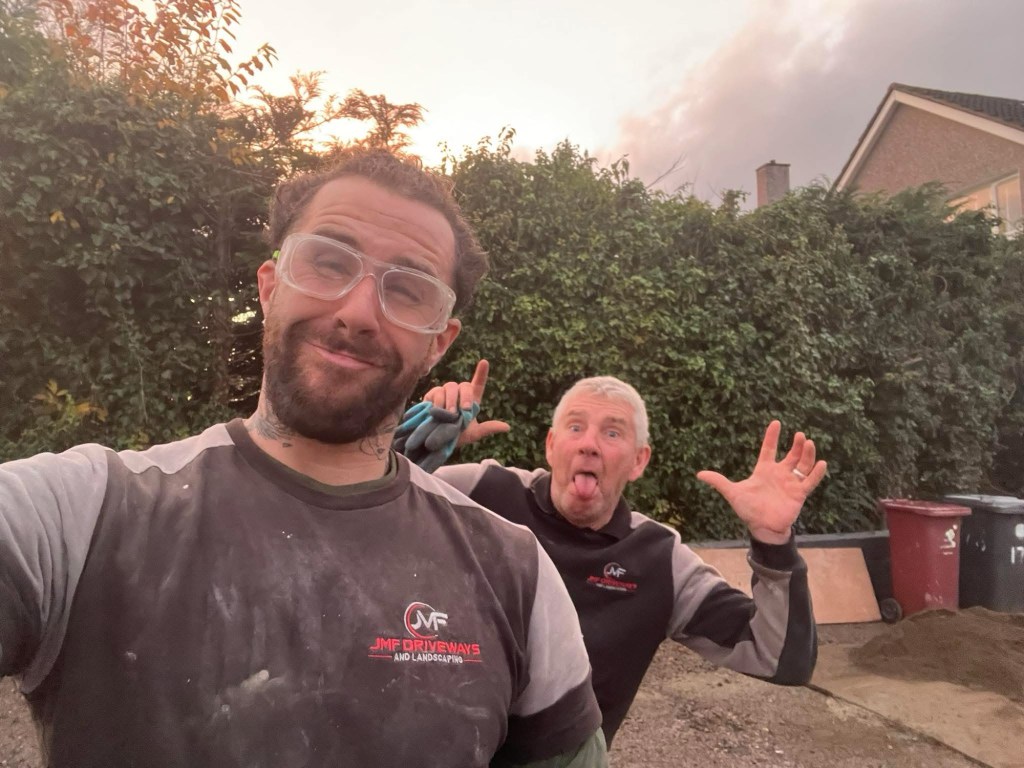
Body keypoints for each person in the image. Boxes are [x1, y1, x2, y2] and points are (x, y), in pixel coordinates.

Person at [0, 152, 607, 767]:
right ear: (270, 286)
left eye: (408, 290)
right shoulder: (85, 515)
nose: (358, 313)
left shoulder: (517, 576)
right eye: (329, 262)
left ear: (438, 343)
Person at [400, 360, 824, 746]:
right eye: (575, 427)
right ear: (551, 445)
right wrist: (410, 451)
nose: (589, 445)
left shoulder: (659, 559)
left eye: (612, 433)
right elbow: (371, 508)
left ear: (639, 461)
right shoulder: (479, 492)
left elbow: (780, 659)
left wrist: (773, 542)